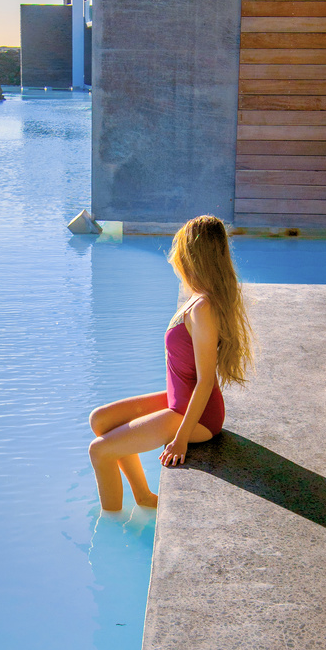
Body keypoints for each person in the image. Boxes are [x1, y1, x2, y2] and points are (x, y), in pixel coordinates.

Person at [88, 214, 254, 512]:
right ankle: (143, 497)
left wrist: (179, 440)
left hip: (199, 416)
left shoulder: (202, 308)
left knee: (99, 451)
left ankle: (111, 522)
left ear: (192, 256)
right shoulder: (197, 298)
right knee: (100, 420)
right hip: (182, 402)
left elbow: (205, 380)